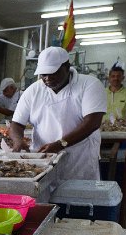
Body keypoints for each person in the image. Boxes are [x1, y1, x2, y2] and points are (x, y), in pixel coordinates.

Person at [10, 47, 106, 181]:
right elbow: (17, 124)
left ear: (67, 67)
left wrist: (60, 144)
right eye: (43, 74)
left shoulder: (89, 85)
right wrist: (18, 141)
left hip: (79, 158)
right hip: (43, 160)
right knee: (44, 196)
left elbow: (92, 122)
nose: (47, 78)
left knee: (77, 197)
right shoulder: (33, 90)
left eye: (53, 73)